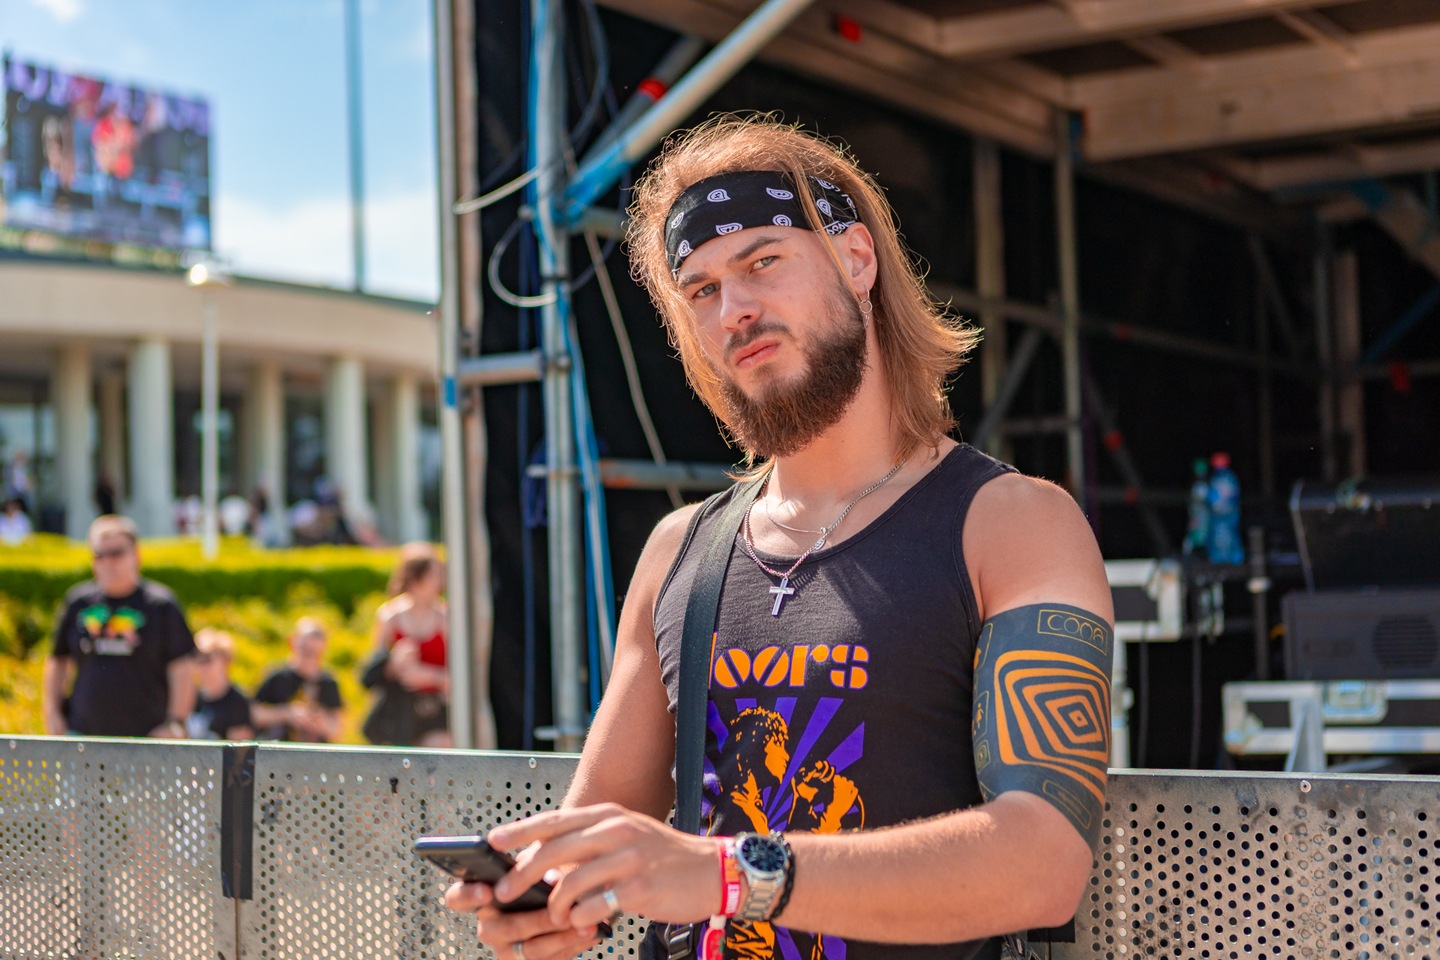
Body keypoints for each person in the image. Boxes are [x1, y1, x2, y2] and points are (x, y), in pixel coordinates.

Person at [444, 116, 1115, 960]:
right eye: (701, 290)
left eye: (762, 262)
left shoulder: (1012, 523)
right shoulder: (679, 551)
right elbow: (601, 836)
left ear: (857, 260)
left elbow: (1044, 862)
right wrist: (543, 898)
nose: (735, 309)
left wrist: (729, 876)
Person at [42, 514, 197, 738]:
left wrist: (175, 722)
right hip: (82, 736)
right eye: (99, 554)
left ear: (136, 555)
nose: (107, 561)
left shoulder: (161, 606)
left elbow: (182, 669)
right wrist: (52, 712)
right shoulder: (78, 603)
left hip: (147, 740)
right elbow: (58, 661)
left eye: (116, 553)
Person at [361, 543, 452, 747]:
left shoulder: (445, 617)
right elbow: (373, 672)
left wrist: (430, 676)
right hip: (399, 712)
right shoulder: (389, 616)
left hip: (434, 712)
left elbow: (461, 679)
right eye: (434, 574)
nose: (441, 580)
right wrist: (393, 663)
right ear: (415, 578)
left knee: (439, 744)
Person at [252, 617, 344, 742]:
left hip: (314, 751)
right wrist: (286, 713)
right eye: (306, 650)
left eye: (316, 653)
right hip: (279, 749)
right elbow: (254, 714)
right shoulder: (277, 677)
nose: (311, 658)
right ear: (293, 642)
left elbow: (337, 729)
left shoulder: (328, 683)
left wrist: (320, 721)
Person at [186, 627, 254, 740]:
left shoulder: (237, 703)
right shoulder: (190, 698)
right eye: (197, 658)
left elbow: (239, 747)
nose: (202, 665)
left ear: (225, 661)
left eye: (207, 659)